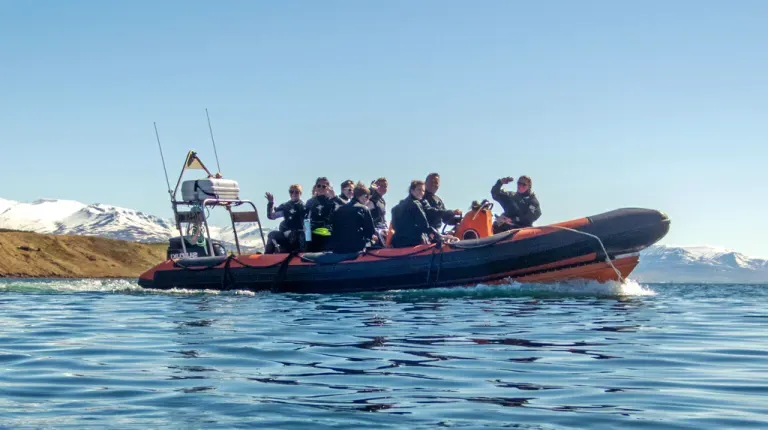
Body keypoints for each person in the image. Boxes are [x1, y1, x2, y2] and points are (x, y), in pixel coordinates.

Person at [330, 182, 376, 254]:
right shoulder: (364, 209)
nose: (367, 200)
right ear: (363, 196)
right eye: (367, 197)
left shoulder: (339, 209)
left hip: (338, 248)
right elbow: (370, 232)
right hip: (355, 248)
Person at [390, 180, 438, 248]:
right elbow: (424, 225)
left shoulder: (395, 208)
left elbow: (395, 227)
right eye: (419, 190)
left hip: (397, 243)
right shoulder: (415, 203)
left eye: (423, 191)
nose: (422, 193)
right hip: (413, 243)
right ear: (412, 191)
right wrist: (437, 234)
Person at [304, 177, 344, 252]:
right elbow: (305, 217)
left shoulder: (333, 200)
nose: (321, 188)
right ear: (315, 187)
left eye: (324, 186)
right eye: (319, 186)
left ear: (328, 188)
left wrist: (335, 197)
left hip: (328, 233)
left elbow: (347, 207)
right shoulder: (310, 202)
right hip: (313, 234)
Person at [264, 185, 305, 254]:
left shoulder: (304, 206)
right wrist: (271, 203)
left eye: (296, 192)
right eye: (291, 192)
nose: (294, 194)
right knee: (272, 234)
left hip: (299, 234)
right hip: (286, 234)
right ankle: (267, 257)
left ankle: (301, 255)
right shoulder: (285, 206)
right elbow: (272, 216)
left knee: (297, 235)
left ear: (300, 193)